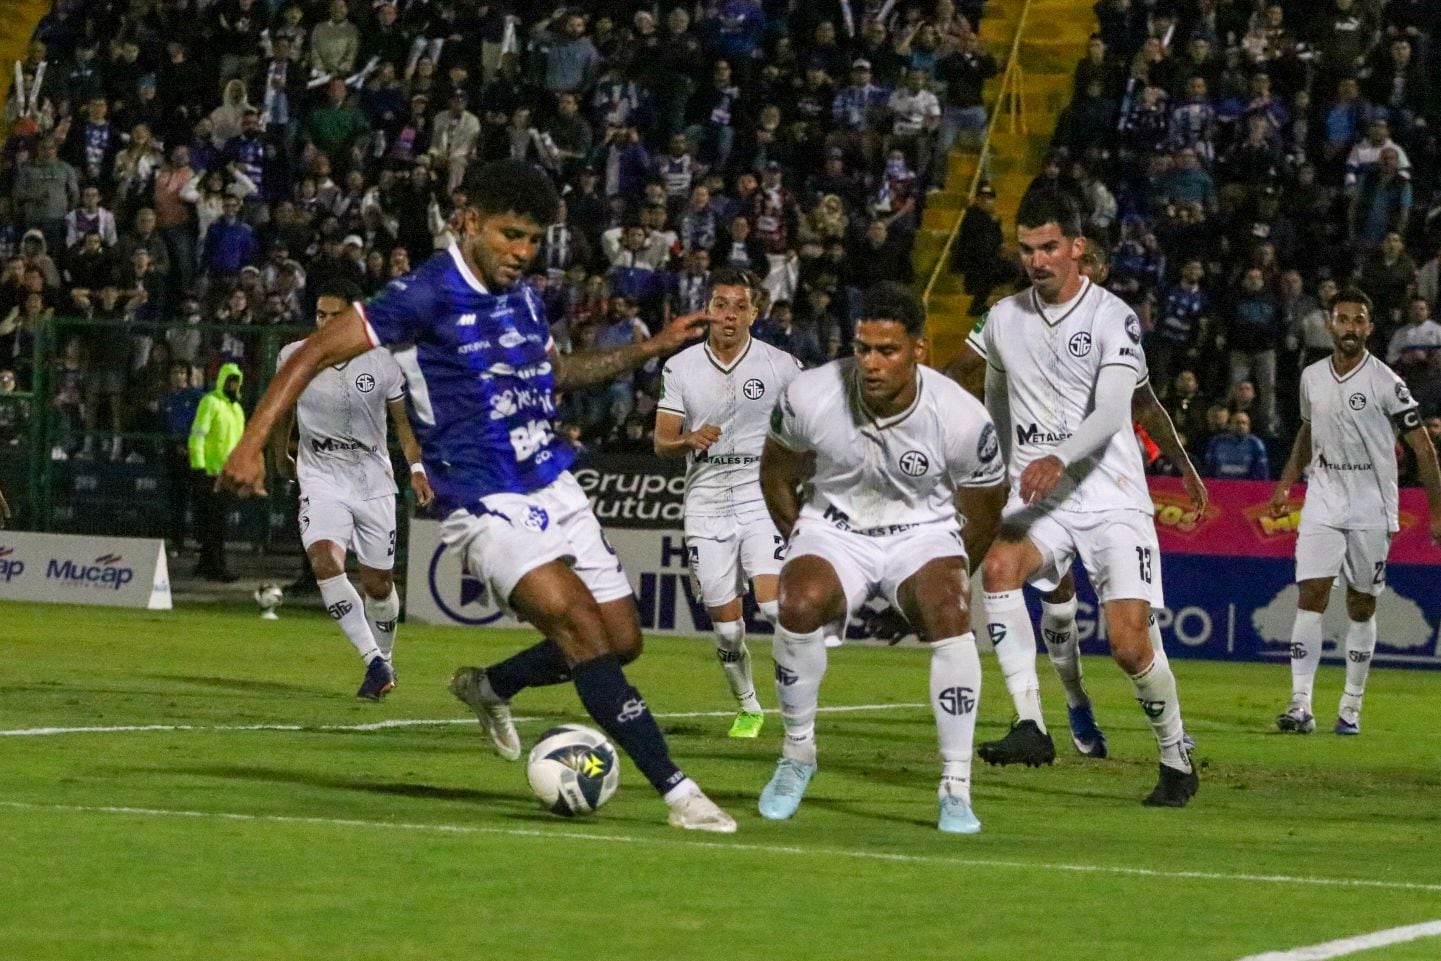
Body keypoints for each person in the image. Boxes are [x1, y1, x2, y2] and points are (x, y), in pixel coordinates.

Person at [218, 159, 734, 833]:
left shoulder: (520, 294)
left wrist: (651, 349)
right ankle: (679, 792)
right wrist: (251, 441)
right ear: (468, 222)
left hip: (553, 481)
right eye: (511, 235)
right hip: (483, 502)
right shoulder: (426, 293)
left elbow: (556, 374)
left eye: (533, 239)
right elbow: (310, 352)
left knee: (620, 641)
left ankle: (491, 686)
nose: (523, 252)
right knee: (580, 628)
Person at [755, 281, 1008, 833]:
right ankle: (797, 757)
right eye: (862, 348)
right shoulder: (810, 394)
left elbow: (986, 509)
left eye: (887, 350)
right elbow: (776, 470)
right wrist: (801, 540)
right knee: (795, 603)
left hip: (923, 532)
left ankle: (955, 787)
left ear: (919, 350)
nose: (871, 363)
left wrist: (951, 574)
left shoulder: (963, 419)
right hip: (836, 526)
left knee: (948, 611)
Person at [974, 191, 1198, 807]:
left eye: (1049, 247)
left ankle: (1176, 755)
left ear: (1077, 247)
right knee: (997, 570)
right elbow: (995, 397)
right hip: (1043, 498)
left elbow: (1112, 409)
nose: (1037, 261)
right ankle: (1030, 725)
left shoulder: (1112, 316)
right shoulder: (1001, 319)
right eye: (1026, 250)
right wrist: (998, 465)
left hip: (1112, 496)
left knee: (1129, 646)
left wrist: (1057, 456)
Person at [1268, 289, 1441, 736]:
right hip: (1323, 499)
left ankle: (1350, 707)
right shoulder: (1311, 377)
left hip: (1371, 506)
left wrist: (1436, 511)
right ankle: (1300, 704)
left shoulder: (1387, 382)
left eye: (1357, 320)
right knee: (1310, 595)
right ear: (1331, 324)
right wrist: (1287, 481)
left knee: (1361, 603)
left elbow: (1422, 448)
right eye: (1342, 319)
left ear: (1368, 327)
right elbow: (1308, 431)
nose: (1348, 327)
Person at [653, 266, 802, 739]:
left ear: (755, 313)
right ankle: (749, 706)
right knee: (726, 629)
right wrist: (688, 439)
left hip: (759, 491)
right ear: (708, 310)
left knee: (776, 607)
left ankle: (800, 703)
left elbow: (807, 430)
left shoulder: (782, 366)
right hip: (706, 497)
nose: (730, 316)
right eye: (721, 305)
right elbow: (661, 441)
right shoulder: (680, 367)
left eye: (741, 307)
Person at [269, 279, 434, 700]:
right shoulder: (295, 355)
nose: (324, 322)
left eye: (334, 316)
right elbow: (281, 407)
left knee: (378, 584)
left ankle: (385, 658)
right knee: (325, 562)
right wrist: (279, 457)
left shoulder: (382, 361)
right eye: (319, 315)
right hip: (321, 477)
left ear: (352, 317)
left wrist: (416, 467)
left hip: (372, 481)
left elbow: (403, 424)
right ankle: (373, 662)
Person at [189, 363, 246, 582]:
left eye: (236, 381)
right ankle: (216, 566)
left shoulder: (236, 409)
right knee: (214, 523)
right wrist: (199, 466)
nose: (233, 385)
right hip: (210, 472)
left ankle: (206, 563)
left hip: (227, 474)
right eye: (230, 380)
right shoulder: (210, 402)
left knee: (217, 522)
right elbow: (197, 435)